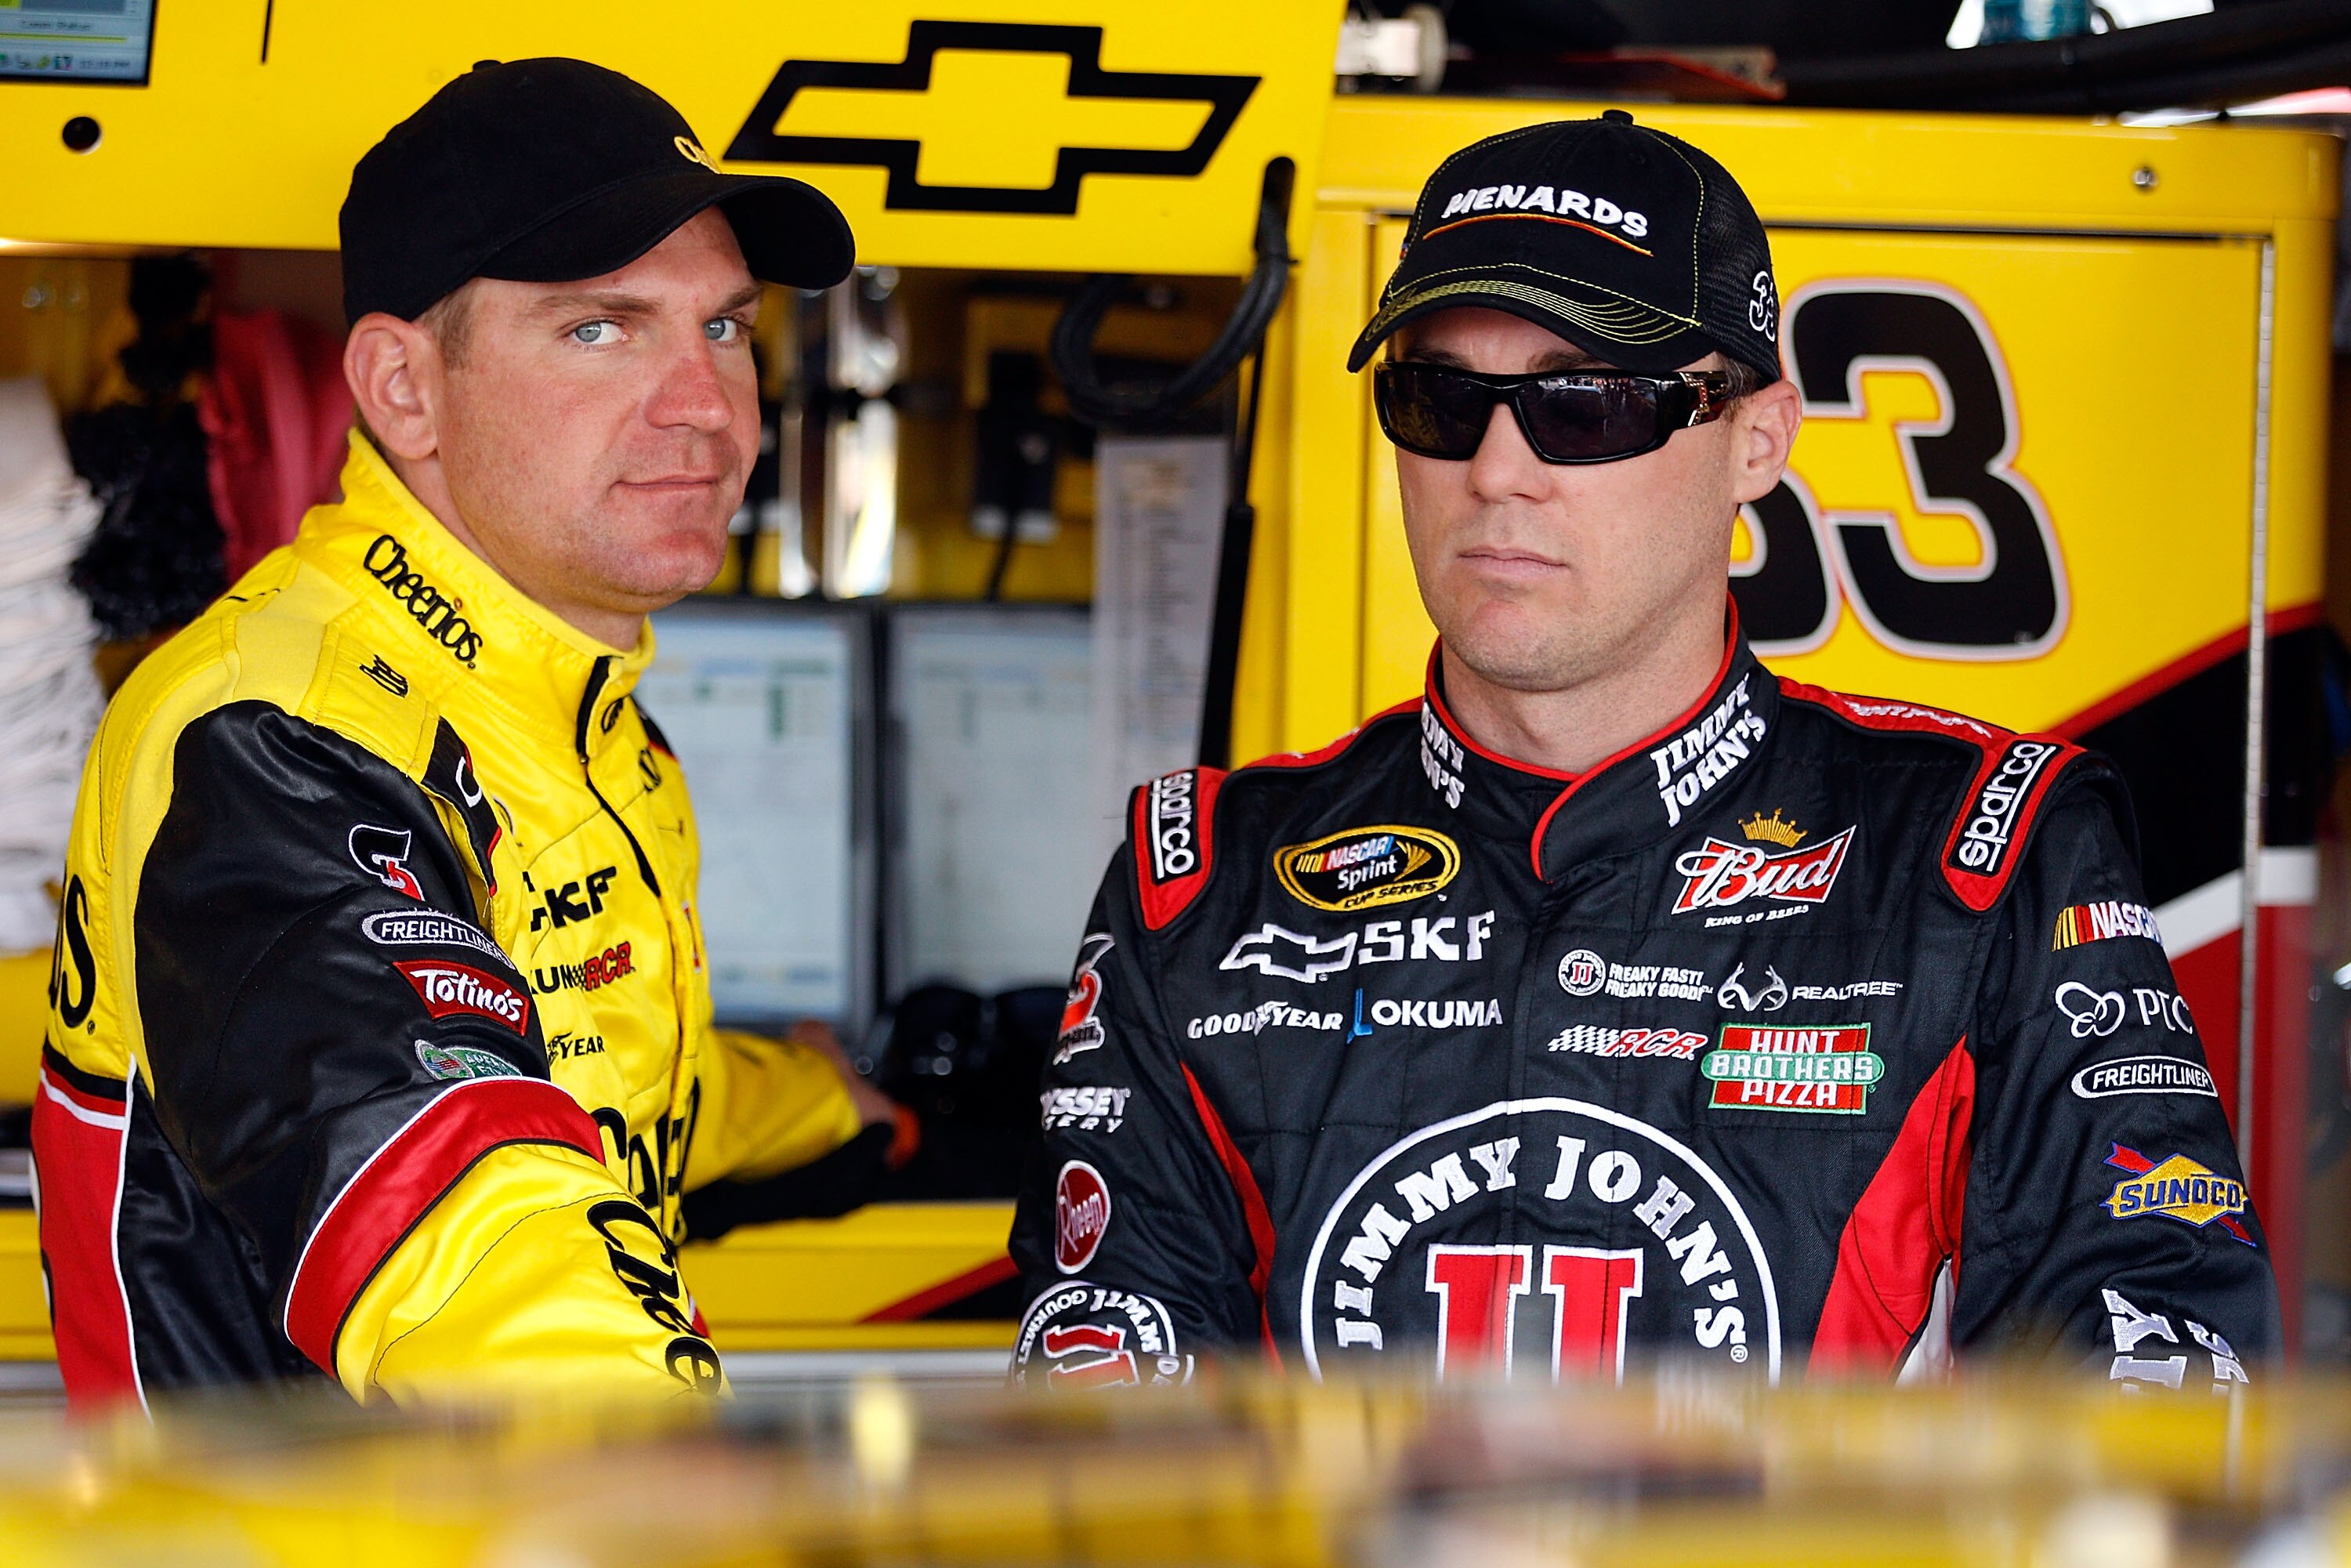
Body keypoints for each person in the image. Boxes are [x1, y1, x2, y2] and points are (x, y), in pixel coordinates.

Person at [1009, 112, 2276, 1388]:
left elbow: (2156, 1375)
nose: (1499, 468)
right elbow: (1110, 1401)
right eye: (1442, 397)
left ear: (1758, 439)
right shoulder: (1201, 881)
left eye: (1588, 402)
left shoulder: (1983, 857)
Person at [31, 58, 907, 1407]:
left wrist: (816, 1103)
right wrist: (676, 1487)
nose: (707, 407)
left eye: (724, 328)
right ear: (402, 387)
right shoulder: (272, 734)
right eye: (601, 329)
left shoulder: (580, 714)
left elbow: (590, 1068)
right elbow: (447, 1192)